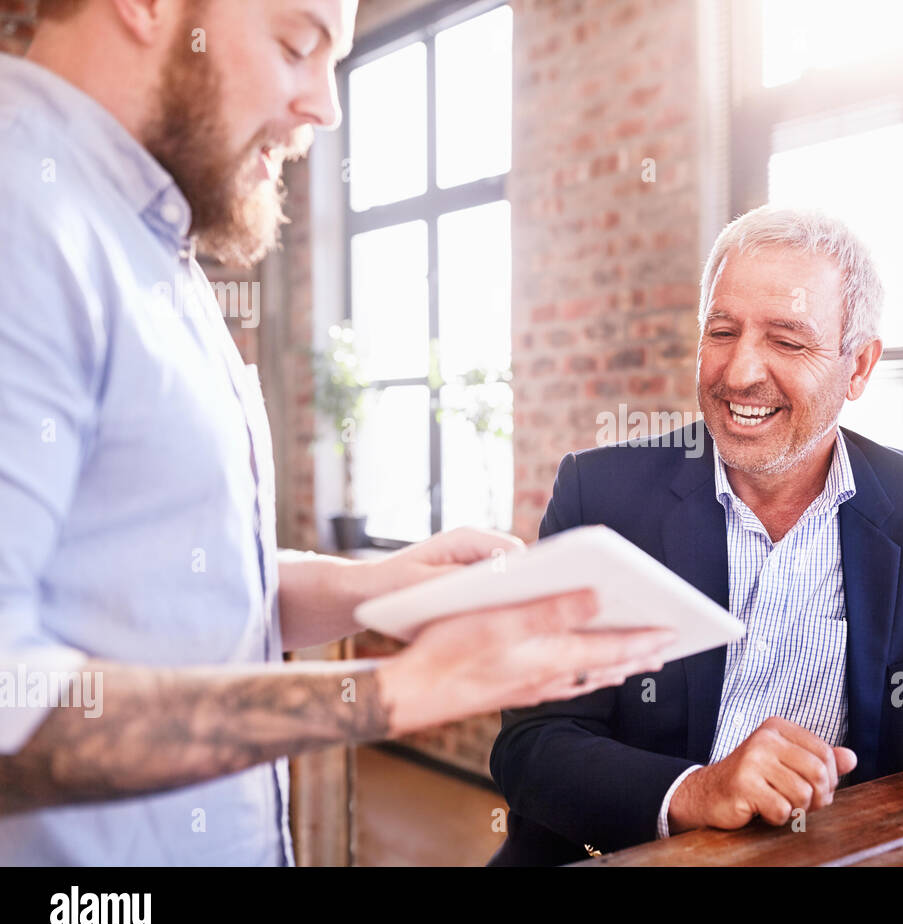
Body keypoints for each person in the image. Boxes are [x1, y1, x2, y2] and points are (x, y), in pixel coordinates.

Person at [0, 0, 672, 865]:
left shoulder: (149, 238)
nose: (325, 106)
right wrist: (396, 690)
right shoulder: (23, 214)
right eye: (295, 45)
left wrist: (378, 588)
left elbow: (172, 580)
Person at [489, 205, 903, 865]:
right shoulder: (601, 496)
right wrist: (698, 791)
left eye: (787, 342)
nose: (739, 373)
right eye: (722, 331)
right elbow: (534, 744)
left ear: (859, 367)